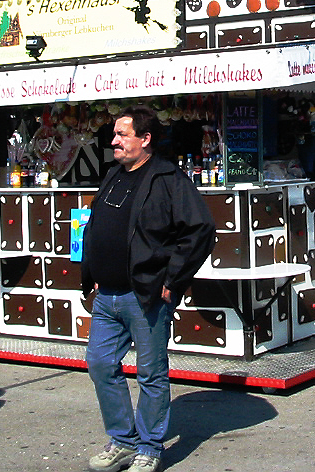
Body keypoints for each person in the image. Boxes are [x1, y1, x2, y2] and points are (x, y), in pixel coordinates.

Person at [82, 106, 215, 472]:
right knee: (100, 363)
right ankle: (122, 441)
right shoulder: (112, 174)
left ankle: (150, 447)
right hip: (107, 295)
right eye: (115, 135)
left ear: (145, 139)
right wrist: (92, 269)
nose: (114, 141)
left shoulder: (169, 178)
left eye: (122, 135)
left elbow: (200, 231)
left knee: (150, 373)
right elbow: (97, 225)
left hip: (146, 295)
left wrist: (173, 280)